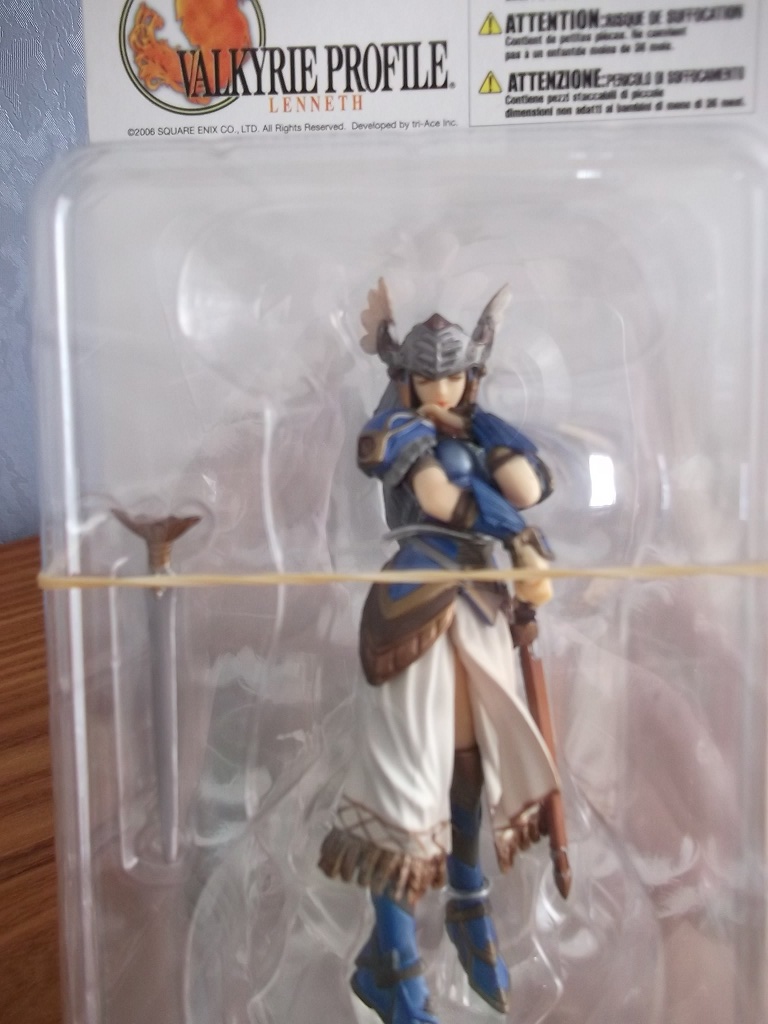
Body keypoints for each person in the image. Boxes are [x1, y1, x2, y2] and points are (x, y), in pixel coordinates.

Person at [319, 280, 559, 1024]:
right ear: (408, 378)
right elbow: (439, 501)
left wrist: (485, 431)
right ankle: (397, 968)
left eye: (456, 376)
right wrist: (516, 537)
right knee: (405, 787)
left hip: (482, 604)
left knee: (472, 759)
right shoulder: (397, 431)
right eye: (430, 378)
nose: (443, 389)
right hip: (417, 603)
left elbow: (526, 486)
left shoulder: (472, 426)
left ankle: (466, 903)